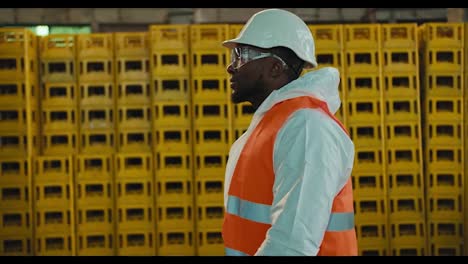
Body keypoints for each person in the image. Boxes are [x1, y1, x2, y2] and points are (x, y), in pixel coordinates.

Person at [221, 9, 358, 256]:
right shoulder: (275, 123)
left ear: (275, 67)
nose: (231, 67)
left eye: (241, 56)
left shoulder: (307, 127)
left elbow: (292, 245)